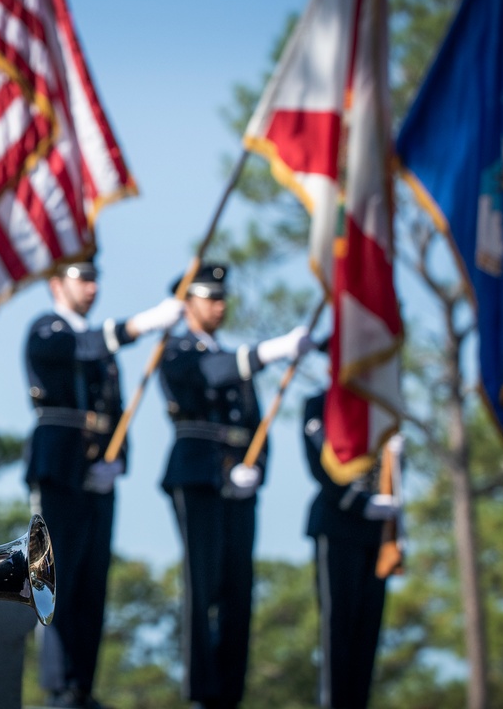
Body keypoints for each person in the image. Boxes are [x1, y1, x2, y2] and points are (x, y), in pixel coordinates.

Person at [25, 257, 185, 709]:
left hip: (98, 471)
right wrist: (141, 324)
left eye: (97, 279)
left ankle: (82, 685)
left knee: (93, 580)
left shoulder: (98, 344)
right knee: (56, 576)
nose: (92, 287)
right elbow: (79, 348)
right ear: (57, 283)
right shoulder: (48, 328)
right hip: (60, 467)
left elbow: (115, 406)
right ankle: (59, 685)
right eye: (83, 278)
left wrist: (119, 459)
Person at [158, 262, 315, 709]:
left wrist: (257, 468)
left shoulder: (231, 357)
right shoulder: (177, 350)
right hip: (197, 474)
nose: (220, 305)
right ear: (187, 303)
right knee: (201, 582)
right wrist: (272, 350)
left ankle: (229, 691)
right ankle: (201, 691)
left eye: (222, 298)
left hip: (236, 480)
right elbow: (213, 371)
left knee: (237, 586)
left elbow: (256, 425)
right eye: (210, 297)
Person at [302, 388, 403, 709]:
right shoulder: (319, 405)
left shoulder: (382, 406)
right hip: (337, 524)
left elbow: (389, 474)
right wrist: (360, 504)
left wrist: (396, 464)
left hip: (376, 534)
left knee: (367, 634)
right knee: (338, 630)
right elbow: (323, 466)